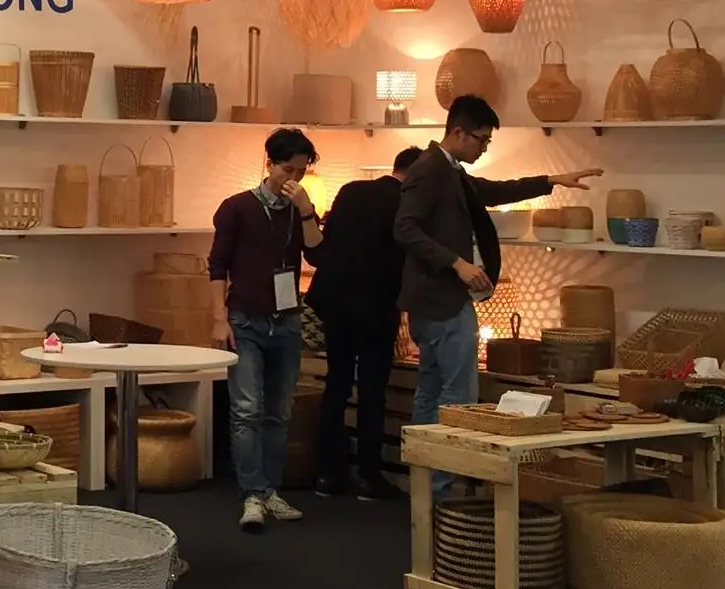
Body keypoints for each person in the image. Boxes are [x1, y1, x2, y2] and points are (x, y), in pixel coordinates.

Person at [394, 96, 601, 491]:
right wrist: (457, 263)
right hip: (441, 300)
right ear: (458, 132)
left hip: (438, 300)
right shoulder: (429, 169)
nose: (484, 148)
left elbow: (491, 191)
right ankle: (440, 490)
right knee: (457, 395)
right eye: (482, 139)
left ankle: (428, 489)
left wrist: (552, 181)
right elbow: (404, 229)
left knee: (433, 391)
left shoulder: (450, 170)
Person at [210, 128, 322, 533]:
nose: (294, 177)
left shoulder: (298, 208)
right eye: (287, 169)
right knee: (246, 410)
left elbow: (318, 252)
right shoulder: (237, 208)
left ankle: (270, 489)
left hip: (286, 321)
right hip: (246, 320)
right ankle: (252, 494)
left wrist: (306, 210)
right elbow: (218, 265)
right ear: (269, 164)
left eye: (301, 171)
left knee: (280, 412)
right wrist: (219, 316)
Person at [307, 146, 422, 502]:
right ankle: (369, 477)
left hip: (334, 302)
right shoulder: (409, 204)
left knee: (337, 385)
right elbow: (405, 260)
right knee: (372, 390)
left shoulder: (351, 190)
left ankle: (329, 475)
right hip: (376, 306)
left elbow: (328, 242)